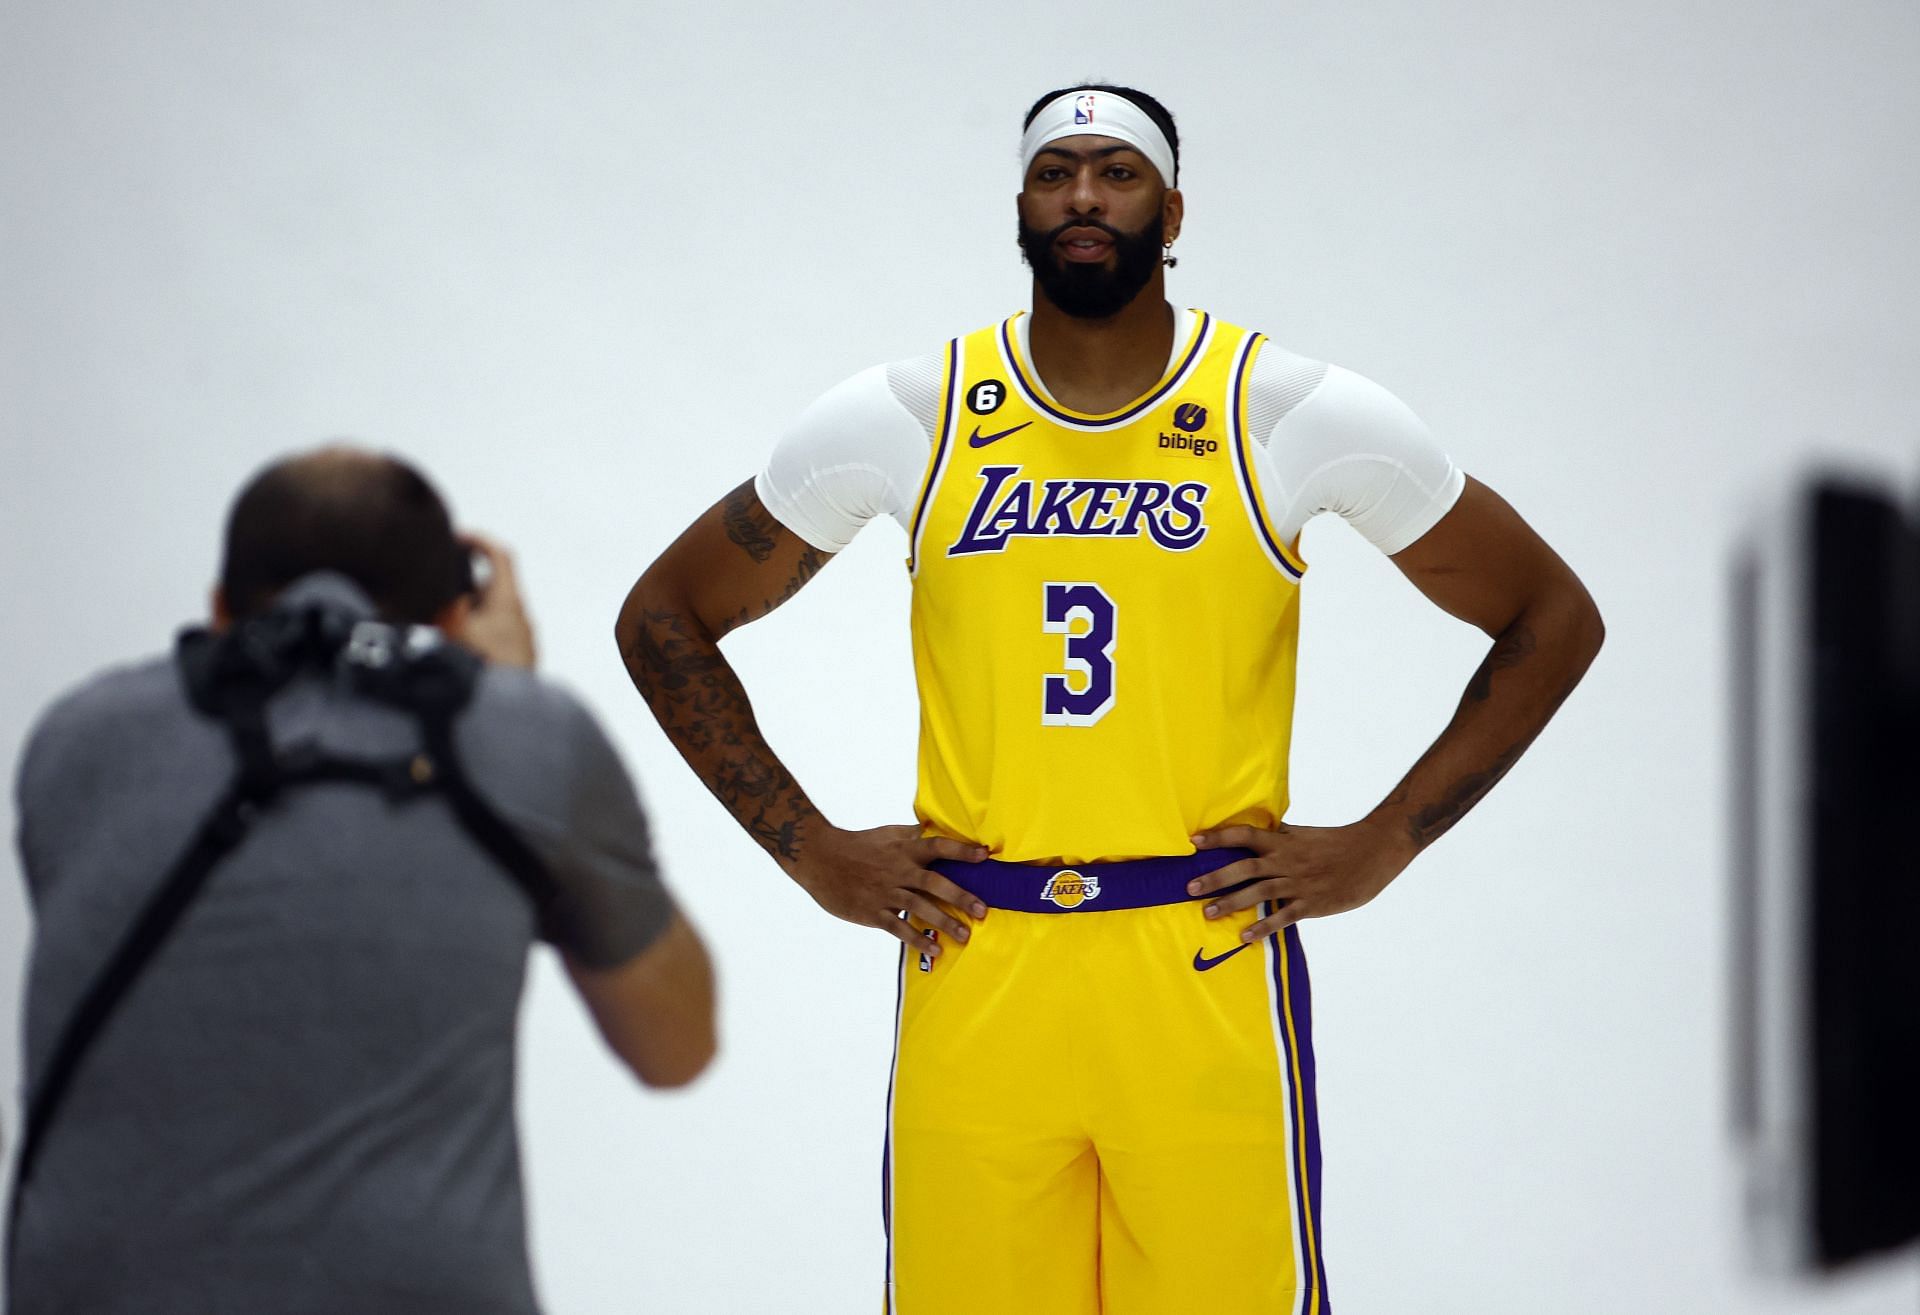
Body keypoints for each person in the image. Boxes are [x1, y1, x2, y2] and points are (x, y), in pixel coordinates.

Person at [615, 84, 1603, 1315]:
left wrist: (1382, 844)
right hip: (978, 959)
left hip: (1198, 957)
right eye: (1056, 172)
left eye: (1118, 172)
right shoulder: (915, 415)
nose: (1084, 195)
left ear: (1173, 207)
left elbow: (1553, 616)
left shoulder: (1285, 411)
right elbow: (663, 619)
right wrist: (809, 849)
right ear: (1021, 208)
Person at [12, 446, 715, 1314]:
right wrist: (503, 694)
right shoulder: (527, 736)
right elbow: (677, 1044)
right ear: (458, 614)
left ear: (221, 607)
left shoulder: (77, 741)